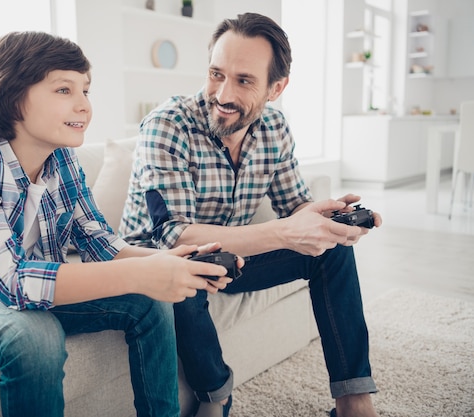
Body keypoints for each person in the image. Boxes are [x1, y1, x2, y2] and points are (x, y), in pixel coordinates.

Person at [0, 31, 236, 417]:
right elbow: (13, 281)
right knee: (34, 333)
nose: (84, 105)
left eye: (86, 90)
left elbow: (101, 244)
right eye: (64, 90)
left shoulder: (62, 161)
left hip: (29, 292)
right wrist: (142, 272)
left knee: (151, 300)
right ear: (11, 93)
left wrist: (170, 262)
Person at [119, 13, 383, 417]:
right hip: (162, 264)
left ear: (276, 88)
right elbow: (175, 236)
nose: (222, 93)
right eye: (215, 74)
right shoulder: (166, 126)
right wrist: (285, 232)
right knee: (187, 264)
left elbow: (293, 204)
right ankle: (217, 395)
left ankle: (353, 401)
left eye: (243, 81)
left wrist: (324, 220)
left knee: (332, 250)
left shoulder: (274, 128)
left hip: (232, 258)